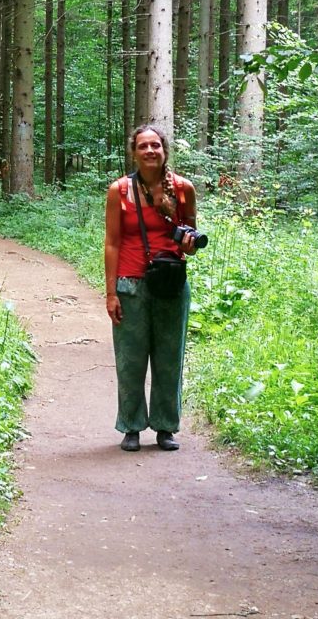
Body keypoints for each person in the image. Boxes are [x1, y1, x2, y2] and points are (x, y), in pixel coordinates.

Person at [104, 124, 199, 452]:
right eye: (143, 146)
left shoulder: (184, 189)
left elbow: (190, 241)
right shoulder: (119, 190)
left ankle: (165, 427)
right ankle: (131, 426)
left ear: (164, 151)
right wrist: (111, 292)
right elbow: (112, 243)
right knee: (130, 359)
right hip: (130, 284)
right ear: (134, 152)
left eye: (155, 145)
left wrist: (188, 245)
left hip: (170, 284)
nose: (149, 151)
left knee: (169, 358)